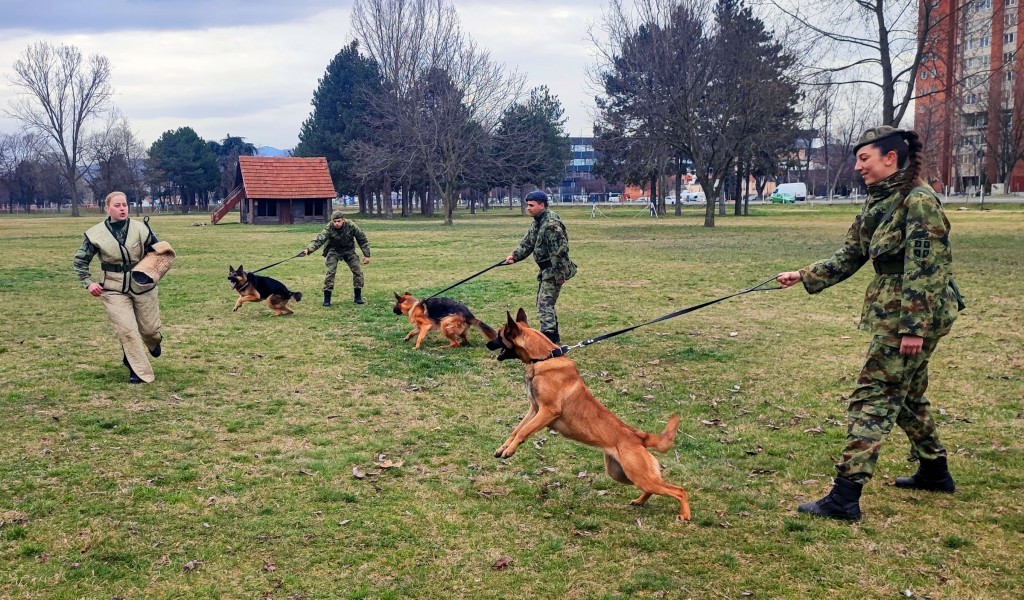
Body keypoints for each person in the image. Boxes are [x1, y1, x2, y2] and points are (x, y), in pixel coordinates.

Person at [776, 126, 965, 521]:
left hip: (912, 316)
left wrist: (913, 327)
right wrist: (805, 274)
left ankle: (845, 496)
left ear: (890, 158)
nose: (858, 166)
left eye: (865, 158)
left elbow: (927, 268)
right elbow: (852, 254)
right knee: (907, 396)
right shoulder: (880, 202)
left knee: (874, 397)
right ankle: (935, 471)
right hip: (892, 313)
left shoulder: (918, 202)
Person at [73, 191, 165, 384]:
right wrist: (88, 283)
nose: (122, 208)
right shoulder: (95, 234)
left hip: (143, 285)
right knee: (127, 330)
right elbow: (80, 262)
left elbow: (159, 253)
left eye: (124, 204)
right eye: (117, 205)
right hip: (113, 288)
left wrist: (158, 264)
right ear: (107, 208)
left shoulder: (141, 229)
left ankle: (153, 341)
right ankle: (137, 371)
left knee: (149, 330)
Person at [504, 190, 577, 343]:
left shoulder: (551, 225)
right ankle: (552, 335)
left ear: (541, 205)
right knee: (544, 303)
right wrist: (515, 256)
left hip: (554, 269)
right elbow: (528, 242)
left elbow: (560, 252)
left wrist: (560, 275)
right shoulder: (538, 221)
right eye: (527, 205)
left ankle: (549, 338)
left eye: (531, 205)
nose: (528, 208)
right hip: (546, 270)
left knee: (544, 304)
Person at [301, 210, 371, 306]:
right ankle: (327, 298)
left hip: (349, 250)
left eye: (339, 221)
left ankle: (358, 297)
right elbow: (319, 240)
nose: (336, 223)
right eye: (334, 222)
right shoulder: (329, 228)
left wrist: (366, 255)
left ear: (343, 220)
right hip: (334, 250)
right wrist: (308, 250)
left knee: (358, 271)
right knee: (331, 271)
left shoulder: (351, 225)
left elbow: (362, 239)